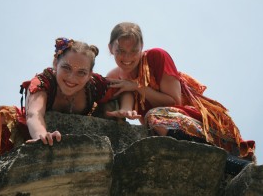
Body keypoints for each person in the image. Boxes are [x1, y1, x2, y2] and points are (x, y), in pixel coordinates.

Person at [0, 37, 139, 165]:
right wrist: (42, 135)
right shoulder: (43, 81)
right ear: (55, 63)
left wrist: (126, 108)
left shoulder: (94, 85)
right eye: (66, 68)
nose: (72, 78)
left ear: (90, 75)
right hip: (27, 129)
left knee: (110, 104)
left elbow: (125, 89)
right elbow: (34, 113)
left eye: (81, 73)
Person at [105, 22, 255, 165]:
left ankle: (231, 162)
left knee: (155, 117)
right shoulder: (114, 76)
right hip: (161, 129)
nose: (127, 58)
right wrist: (125, 111)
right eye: (121, 51)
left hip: (192, 118)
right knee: (153, 122)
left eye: (134, 51)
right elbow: (120, 98)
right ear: (111, 48)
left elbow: (174, 101)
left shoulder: (156, 56)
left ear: (142, 47)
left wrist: (137, 86)